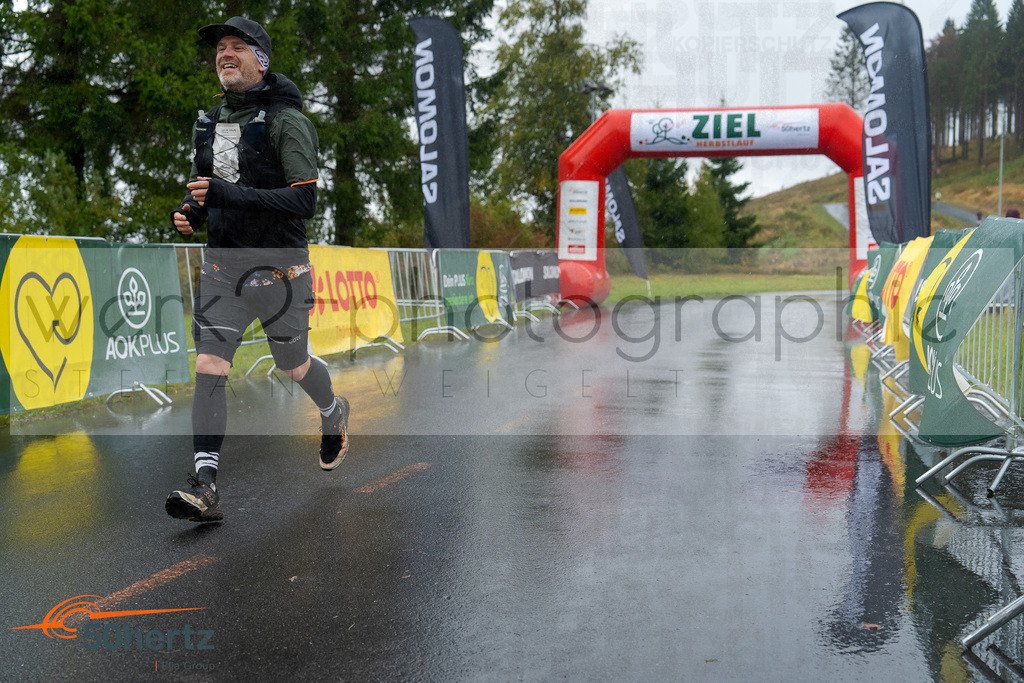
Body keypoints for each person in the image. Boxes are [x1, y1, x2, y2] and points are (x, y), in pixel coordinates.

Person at [166, 16, 350, 523]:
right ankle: (204, 486)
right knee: (209, 367)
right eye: (220, 48)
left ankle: (333, 411)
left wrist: (226, 194)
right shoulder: (215, 121)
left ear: (260, 59)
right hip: (224, 265)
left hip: (280, 269)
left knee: (292, 366)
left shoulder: (286, 121)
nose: (224, 54)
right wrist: (194, 209)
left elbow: (304, 200)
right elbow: (216, 183)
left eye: (236, 47)